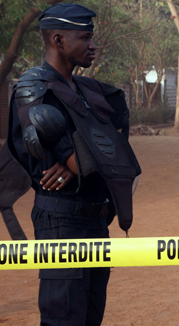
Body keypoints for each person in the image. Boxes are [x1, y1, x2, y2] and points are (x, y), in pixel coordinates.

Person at [0, 4, 141, 325]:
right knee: (63, 319)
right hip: (62, 220)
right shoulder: (34, 89)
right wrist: (87, 158)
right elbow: (94, 160)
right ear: (58, 40)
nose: (93, 45)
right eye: (86, 37)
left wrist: (83, 157)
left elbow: (121, 156)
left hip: (96, 218)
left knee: (91, 317)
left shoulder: (88, 90)